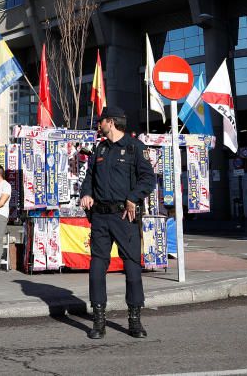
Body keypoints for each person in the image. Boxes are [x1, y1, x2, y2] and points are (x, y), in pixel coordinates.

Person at [79, 105, 156, 340]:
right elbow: (88, 178)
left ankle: (134, 320)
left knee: (132, 267)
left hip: (125, 217)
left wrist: (134, 198)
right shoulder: (100, 148)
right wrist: (86, 193)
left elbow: (148, 179)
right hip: (100, 217)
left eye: (101, 120)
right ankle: (99, 320)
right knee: (97, 267)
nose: (99, 124)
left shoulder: (134, 148)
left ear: (110, 122)